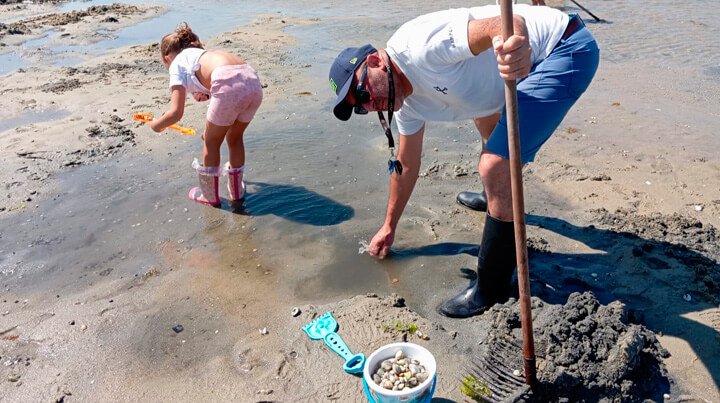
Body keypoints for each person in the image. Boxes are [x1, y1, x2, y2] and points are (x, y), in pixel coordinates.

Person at [328, 5, 599, 318]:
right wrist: (389, 227)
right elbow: (407, 164)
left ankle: (493, 287)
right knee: (478, 110)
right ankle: (493, 197)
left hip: (563, 48)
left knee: (494, 167)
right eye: (361, 109)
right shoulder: (404, 104)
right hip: (501, 84)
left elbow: (507, 22)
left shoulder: (420, 47)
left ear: (375, 61)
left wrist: (517, 45)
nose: (370, 106)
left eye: (362, 95)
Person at [150, 22, 263, 207]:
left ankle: (209, 195)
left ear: (167, 58)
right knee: (235, 138)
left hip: (227, 83)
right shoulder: (199, 56)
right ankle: (237, 192)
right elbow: (227, 96)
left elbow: (175, 113)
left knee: (211, 142)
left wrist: (157, 125)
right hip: (253, 81)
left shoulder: (176, 64)